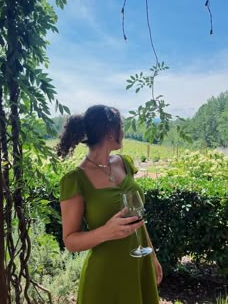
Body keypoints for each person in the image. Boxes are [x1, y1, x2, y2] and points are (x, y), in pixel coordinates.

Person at [57, 104, 163, 304]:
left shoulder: (124, 163)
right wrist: (106, 231)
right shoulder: (75, 180)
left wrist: (152, 256)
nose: (123, 132)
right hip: (106, 275)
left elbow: (137, 218)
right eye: (120, 127)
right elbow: (70, 241)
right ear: (109, 131)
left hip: (139, 266)